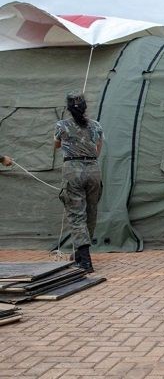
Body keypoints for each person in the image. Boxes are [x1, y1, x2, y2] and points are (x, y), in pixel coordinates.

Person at [54, 92, 104, 273]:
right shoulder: (96, 125)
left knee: (76, 214)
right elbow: (98, 149)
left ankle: (84, 260)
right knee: (91, 212)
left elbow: (57, 145)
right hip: (93, 169)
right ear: (85, 107)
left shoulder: (62, 125)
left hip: (72, 169)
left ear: (68, 108)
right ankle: (80, 254)